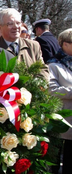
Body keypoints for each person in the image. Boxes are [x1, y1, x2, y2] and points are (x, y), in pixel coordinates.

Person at [0, 8, 49, 81]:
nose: (16, 27)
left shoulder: (33, 46)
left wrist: (37, 84)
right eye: (10, 24)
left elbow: (43, 69)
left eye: (18, 23)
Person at [48, 28, 72, 174]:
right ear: (64, 44)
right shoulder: (53, 65)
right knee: (55, 164)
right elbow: (51, 89)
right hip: (61, 122)